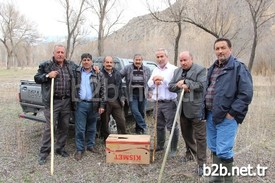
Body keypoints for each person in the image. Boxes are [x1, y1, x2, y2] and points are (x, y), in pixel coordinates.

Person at [204, 38, 253, 182]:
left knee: (224, 150)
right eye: (217, 48)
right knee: (213, 147)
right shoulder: (212, 68)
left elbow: (246, 94)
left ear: (230, 49)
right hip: (210, 114)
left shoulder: (238, 67)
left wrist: (232, 113)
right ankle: (217, 178)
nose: (220, 51)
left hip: (226, 117)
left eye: (223, 48)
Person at [34, 44, 77, 165]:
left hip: (67, 101)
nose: (60, 54)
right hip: (53, 101)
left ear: (65, 54)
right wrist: (48, 75)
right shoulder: (46, 65)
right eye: (58, 52)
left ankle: (59, 148)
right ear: (54, 53)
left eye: (62, 52)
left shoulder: (71, 65)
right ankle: (43, 153)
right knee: (50, 128)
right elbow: (37, 78)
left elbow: (82, 70)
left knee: (64, 126)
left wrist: (94, 67)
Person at [168, 51, 207, 176]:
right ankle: (190, 153)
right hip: (182, 109)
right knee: (186, 134)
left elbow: (201, 86)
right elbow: (170, 86)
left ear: (191, 59)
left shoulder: (201, 70)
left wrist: (186, 82)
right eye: (181, 60)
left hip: (196, 109)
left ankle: (202, 164)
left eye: (185, 60)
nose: (183, 63)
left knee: (200, 137)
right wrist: (179, 86)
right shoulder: (177, 71)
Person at [73, 53, 106, 161]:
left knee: (92, 127)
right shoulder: (76, 72)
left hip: (94, 104)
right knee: (80, 129)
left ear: (92, 62)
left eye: (88, 60)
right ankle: (79, 149)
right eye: (84, 60)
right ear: (81, 61)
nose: (86, 62)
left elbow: (102, 90)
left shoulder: (98, 74)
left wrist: (101, 105)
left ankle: (90, 145)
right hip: (81, 104)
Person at [147, 48, 179, 157]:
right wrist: (154, 81)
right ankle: (160, 146)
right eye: (158, 57)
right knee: (159, 126)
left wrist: (163, 80)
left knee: (172, 126)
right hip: (157, 102)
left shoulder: (174, 69)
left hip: (169, 103)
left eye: (162, 56)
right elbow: (149, 83)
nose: (160, 59)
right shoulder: (155, 70)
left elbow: (175, 86)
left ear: (167, 57)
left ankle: (173, 149)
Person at [120, 54, 151, 134]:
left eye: (139, 60)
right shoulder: (127, 68)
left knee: (141, 112)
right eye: (136, 60)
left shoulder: (147, 69)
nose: (137, 61)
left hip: (142, 94)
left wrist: (150, 91)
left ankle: (139, 129)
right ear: (133, 60)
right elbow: (118, 76)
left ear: (142, 60)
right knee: (135, 111)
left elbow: (150, 82)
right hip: (131, 94)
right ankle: (144, 126)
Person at [100, 56, 127, 141]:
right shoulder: (99, 73)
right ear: (103, 63)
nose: (109, 64)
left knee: (121, 121)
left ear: (113, 64)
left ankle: (123, 138)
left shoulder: (117, 73)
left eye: (110, 62)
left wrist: (122, 98)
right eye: (107, 62)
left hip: (116, 101)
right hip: (105, 102)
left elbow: (121, 87)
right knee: (105, 122)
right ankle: (106, 140)